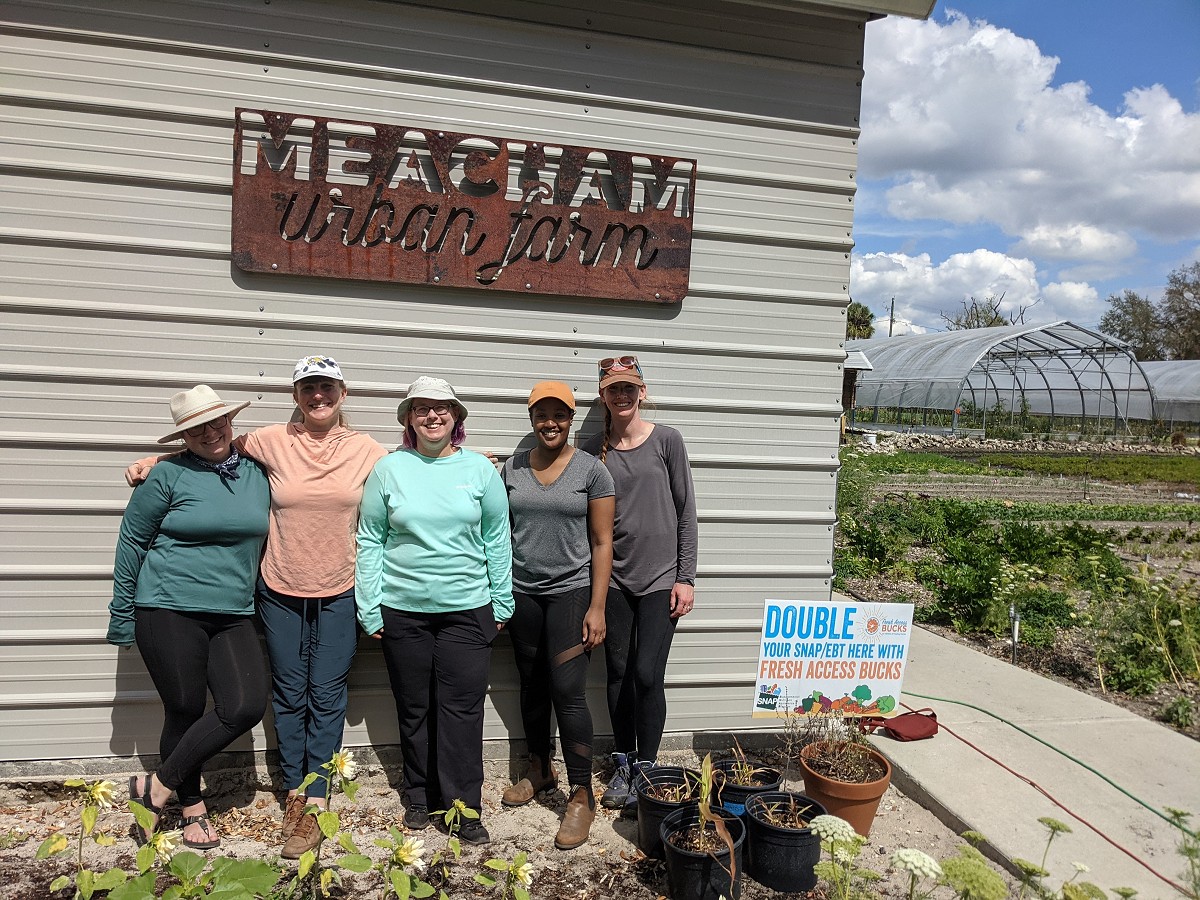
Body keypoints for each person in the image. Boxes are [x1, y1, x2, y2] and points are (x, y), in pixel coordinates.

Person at [124, 356, 388, 858]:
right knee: (288, 694)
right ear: (296, 395)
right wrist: (156, 463)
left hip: (340, 588)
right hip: (280, 589)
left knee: (327, 693)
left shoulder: (367, 449)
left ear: (343, 393)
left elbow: (409, 470)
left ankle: (316, 796)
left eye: (326, 387)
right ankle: (293, 792)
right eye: (308, 388)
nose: (317, 396)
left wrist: (467, 458)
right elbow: (207, 450)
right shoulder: (268, 440)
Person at [110, 385, 270, 850]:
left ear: (230, 421)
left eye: (216, 421)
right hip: (167, 607)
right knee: (183, 707)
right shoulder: (166, 476)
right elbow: (132, 542)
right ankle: (192, 807)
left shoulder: (258, 473)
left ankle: (155, 786)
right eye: (195, 427)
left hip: (234, 610)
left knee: (244, 707)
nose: (209, 432)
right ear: (183, 436)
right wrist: (121, 614)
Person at [356, 376, 513, 846]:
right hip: (402, 609)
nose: (432, 415)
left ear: (456, 417)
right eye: (421, 408)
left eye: (442, 407)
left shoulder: (479, 470)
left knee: (462, 711)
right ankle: (419, 795)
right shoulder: (389, 469)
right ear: (408, 418)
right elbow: (370, 539)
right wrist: (369, 606)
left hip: (468, 609)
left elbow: (497, 536)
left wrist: (502, 599)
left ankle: (463, 806)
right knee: (414, 707)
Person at [580, 355, 698, 810]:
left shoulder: (667, 441)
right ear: (603, 397)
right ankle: (624, 762)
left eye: (629, 387)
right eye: (614, 389)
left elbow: (686, 512)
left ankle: (647, 767)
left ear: (642, 392)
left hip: (660, 578)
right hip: (612, 581)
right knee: (617, 673)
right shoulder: (592, 450)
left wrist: (685, 577)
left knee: (647, 674)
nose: (622, 395)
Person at [500, 382, 614, 850]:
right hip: (523, 593)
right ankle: (539, 768)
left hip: (571, 593)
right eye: (541, 414)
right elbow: (500, 529)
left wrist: (597, 606)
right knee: (531, 684)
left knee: (567, 691)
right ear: (531, 419)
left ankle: (582, 793)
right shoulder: (511, 468)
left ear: (570, 419)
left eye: (559, 415)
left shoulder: (592, 471)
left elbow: (603, 542)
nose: (550, 423)